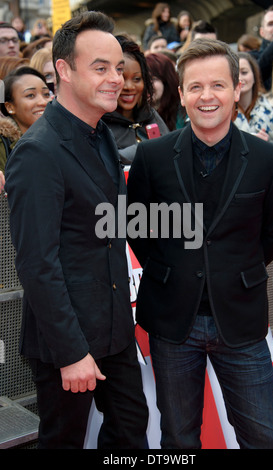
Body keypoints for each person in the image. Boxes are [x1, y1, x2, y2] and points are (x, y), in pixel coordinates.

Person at [127, 38, 273, 449]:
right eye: (196, 87)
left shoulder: (269, 160)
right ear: (181, 94)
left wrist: (234, 269)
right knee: (179, 438)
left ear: (237, 89)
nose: (207, 96)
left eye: (218, 85)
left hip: (240, 317)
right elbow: (139, 229)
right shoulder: (151, 156)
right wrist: (174, 272)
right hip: (171, 320)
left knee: (265, 436)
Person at [4, 11, 148, 449]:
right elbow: (37, 264)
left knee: (131, 431)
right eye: (100, 68)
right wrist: (71, 354)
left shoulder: (102, 132)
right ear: (63, 71)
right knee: (62, 442)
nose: (116, 80)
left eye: (118, 68)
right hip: (66, 340)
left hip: (114, 330)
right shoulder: (38, 152)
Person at [102, 35, 168, 164]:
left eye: (137, 79)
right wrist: (147, 149)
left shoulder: (150, 114)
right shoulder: (98, 123)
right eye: (121, 77)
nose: (129, 87)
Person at [0, 66, 51, 174]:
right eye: (30, 95)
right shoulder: (3, 144)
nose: (42, 102)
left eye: (46, 94)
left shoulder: (61, 137)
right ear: (10, 107)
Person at [234, 52, 273, 145]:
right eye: (235, 74)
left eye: (244, 72)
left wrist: (265, 144)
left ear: (254, 76)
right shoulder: (222, 112)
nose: (239, 78)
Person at [145, 52, 185, 130]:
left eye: (153, 79)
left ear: (167, 81)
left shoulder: (183, 114)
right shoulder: (137, 115)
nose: (147, 85)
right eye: (142, 79)